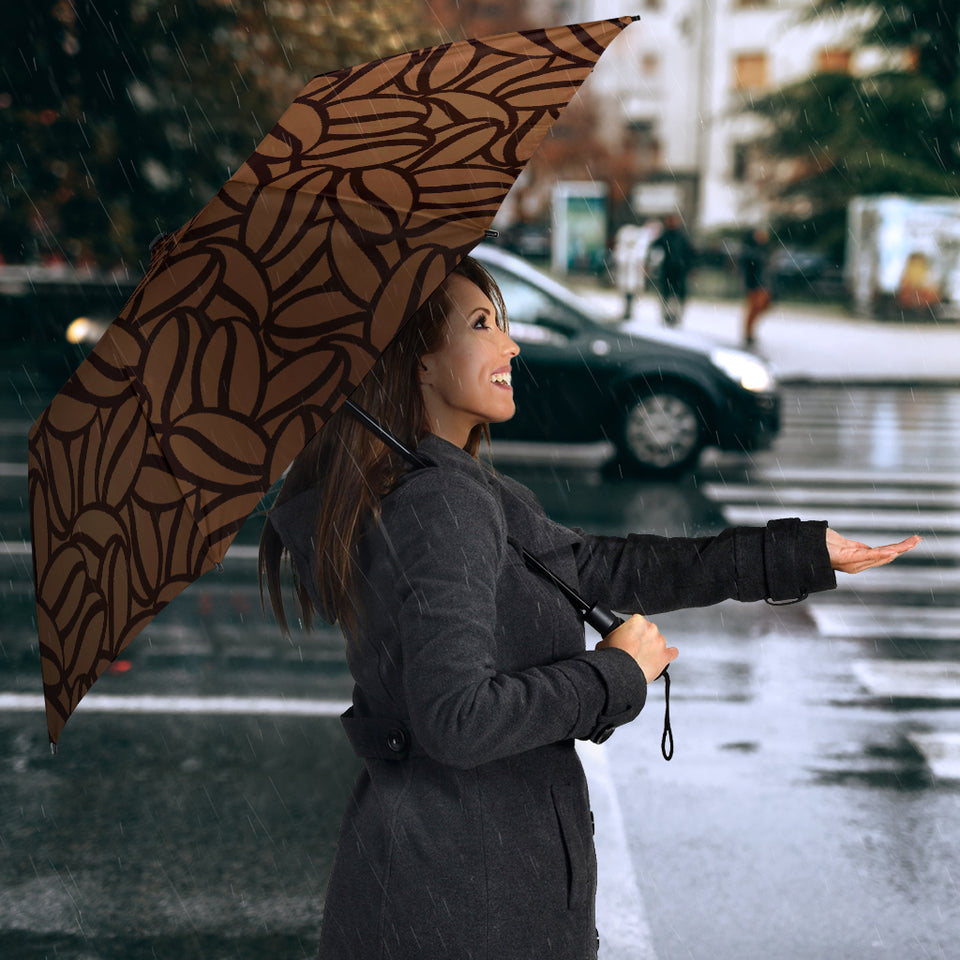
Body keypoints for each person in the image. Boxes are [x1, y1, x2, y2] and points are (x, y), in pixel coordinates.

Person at [259, 257, 919, 960]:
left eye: (503, 324)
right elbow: (456, 719)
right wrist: (613, 673)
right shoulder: (439, 503)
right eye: (482, 325)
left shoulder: (451, 488)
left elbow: (603, 567)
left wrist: (795, 554)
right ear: (416, 363)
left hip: (455, 882)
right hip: (465, 901)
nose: (510, 345)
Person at [648, 213, 695, 327]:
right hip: (668, 270)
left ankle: (675, 316)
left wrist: (690, 267)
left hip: (679, 271)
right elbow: (654, 249)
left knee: (677, 295)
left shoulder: (681, 237)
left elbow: (690, 253)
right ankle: (667, 315)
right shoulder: (665, 236)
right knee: (667, 294)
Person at [741, 226, 773, 347]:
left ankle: (750, 331)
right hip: (755, 284)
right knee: (754, 308)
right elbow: (750, 265)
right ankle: (748, 333)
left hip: (763, 283)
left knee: (762, 306)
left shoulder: (763, 249)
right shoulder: (751, 250)